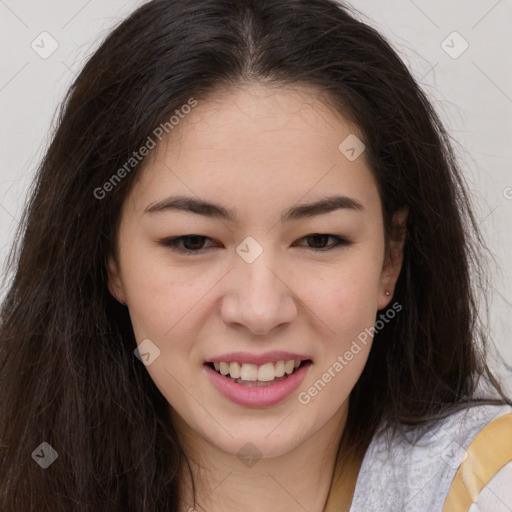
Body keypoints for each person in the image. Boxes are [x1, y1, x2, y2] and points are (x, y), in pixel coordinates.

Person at [0, 0, 511, 510]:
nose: (260, 310)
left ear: (390, 258)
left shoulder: (486, 485)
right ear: (110, 260)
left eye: (319, 241)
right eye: (193, 242)